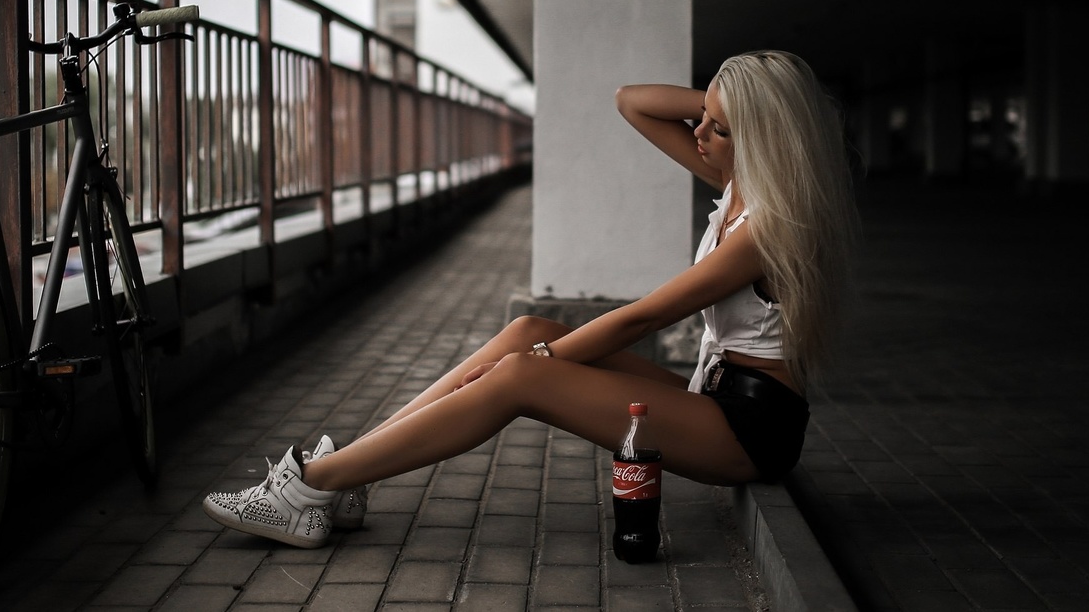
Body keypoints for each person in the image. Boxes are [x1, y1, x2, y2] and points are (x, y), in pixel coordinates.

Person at [203, 50, 860, 548]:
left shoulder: (770, 225)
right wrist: (730, 103)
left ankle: (310, 490)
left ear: (761, 139)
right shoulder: (734, 172)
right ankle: (349, 475)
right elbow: (632, 100)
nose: (697, 133)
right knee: (527, 332)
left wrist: (547, 360)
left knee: (523, 368)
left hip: (749, 429)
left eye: (716, 128)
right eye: (705, 120)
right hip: (714, 394)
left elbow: (646, 316)